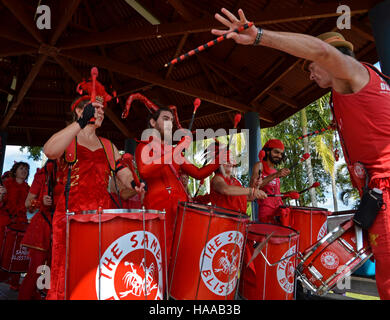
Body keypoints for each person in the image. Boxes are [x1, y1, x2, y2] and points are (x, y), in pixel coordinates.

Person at [212, 7, 390, 299]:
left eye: (311, 67)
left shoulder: (355, 73)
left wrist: (258, 36)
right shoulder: (365, 86)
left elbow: (322, 52)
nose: (309, 75)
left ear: (332, 61)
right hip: (374, 195)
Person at [43, 70, 144, 300]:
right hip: (70, 218)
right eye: (94, 109)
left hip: (100, 218)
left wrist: (135, 183)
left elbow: (122, 172)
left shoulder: (108, 145)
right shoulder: (69, 137)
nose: (100, 113)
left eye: (102, 110)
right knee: (64, 273)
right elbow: (50, 150)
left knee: (95, 273)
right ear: (80, 110)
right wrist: (79, 123)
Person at [135, 102, 227, 263]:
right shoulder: (143, 146)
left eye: (171, 120)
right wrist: (178, 149)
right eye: (165, 119)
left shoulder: (173, 151)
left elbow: (198, 174)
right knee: (160, 253)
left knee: (182, 254)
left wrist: (220, 159)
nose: (170, 123)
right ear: (152, 123)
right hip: (158, 208)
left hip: (180, 207)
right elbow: (144, 171)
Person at [18, 160, 62, 300]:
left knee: (52, 268)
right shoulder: (42, 175)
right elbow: (27, 203)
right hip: (42, 225)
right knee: (36, 268)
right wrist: (40, 202)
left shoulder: (71, 174)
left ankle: (41, 294)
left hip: (61, 226)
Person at [0, 161, 30, 289]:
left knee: (18, 251)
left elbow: (31, 209)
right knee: (3, 250)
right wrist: (1, 195)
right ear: (15, 170)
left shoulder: (28, 188)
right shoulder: (6, 184)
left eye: (26, 169)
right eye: (21, 168)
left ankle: (15, 282)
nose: (24, 171)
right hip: (5, 222)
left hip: (21, 223)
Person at [249, 139, 291, 223]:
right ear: (268, 152)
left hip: (279, 211)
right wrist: (275, 175)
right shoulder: (259, 165)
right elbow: (253, 188)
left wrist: (287, 194)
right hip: (266, 213)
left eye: (281, 154)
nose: (279, 156)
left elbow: (274, 195)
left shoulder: (276, 171)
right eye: (276, 152)